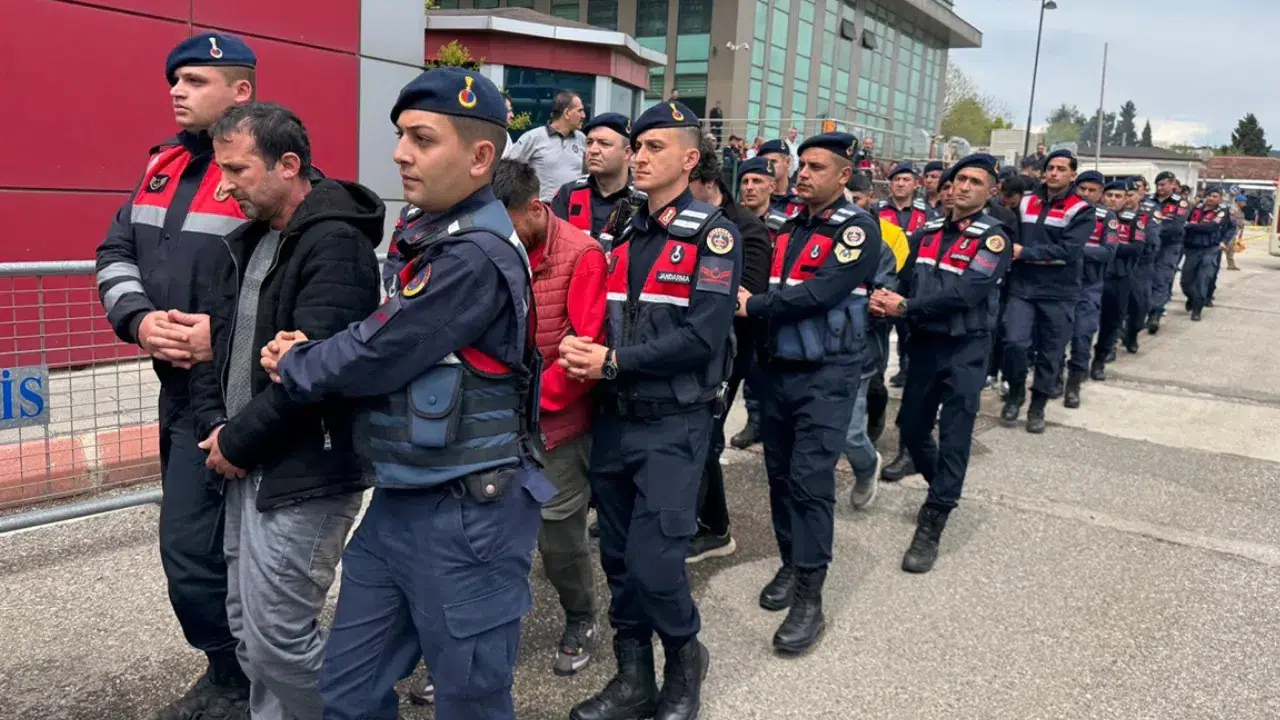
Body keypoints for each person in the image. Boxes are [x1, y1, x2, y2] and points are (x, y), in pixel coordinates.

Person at [264, 67, 554, 720]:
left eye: (422, 139)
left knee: (471, 702)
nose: (400, 153)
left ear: (482, 157)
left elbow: (378, 350)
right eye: (401, 136)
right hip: (404, 499)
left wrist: (297, 361)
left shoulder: (472, 256)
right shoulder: (431, 236)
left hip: (469, 517)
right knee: (349, 690)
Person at [187, 101, 382, 719]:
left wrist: (237, 444)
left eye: (238, 170)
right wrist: (218, 429)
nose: (224, 185)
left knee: (279, 641)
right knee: (249, 632)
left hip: (305, 474)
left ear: (288, 164)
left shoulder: (337, 248)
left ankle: (360, 710)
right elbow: (213, 349)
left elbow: (313, 381)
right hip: (249, 467)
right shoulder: (246, 244)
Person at [94, 32, 256, 718]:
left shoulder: (266, 167)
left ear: (240, 90)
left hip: (243, 396)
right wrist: (138, 319)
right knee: (192, 556)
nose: (176, 91)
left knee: (221, 554)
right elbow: (115, 248)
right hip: (179, 393)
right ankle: (230, 671)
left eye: (194, 79)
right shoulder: (160, 164)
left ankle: (247, 678)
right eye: (174, 80)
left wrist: (220, 335)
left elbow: (298, 285)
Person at [564, 101, 740, 720]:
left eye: (654, 146)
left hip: (673, 422)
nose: (638, 156)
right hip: (612, 417)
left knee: (656, 562)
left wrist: (612, 360)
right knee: (616, 558)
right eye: (635, 146)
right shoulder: (621, 228)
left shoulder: (713, 234)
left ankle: (686, 662)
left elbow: (703, 337)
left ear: (690, 158)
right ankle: (633, 677)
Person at [738, 132, 882, 655]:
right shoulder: (785, 223)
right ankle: (789, 562)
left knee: (809, 481)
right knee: (778, 477)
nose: (803, 174)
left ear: (844, 177)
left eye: (817, 167)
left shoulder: (858, 229)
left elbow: (822, 292)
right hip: (776, 369)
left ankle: (809, 598)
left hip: (827, 374)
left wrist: (752, 307)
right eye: (802, 165)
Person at [869, 153, 1012, 573]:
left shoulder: (993, 238)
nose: (964, 187)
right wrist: (884, 293)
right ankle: (942, 488)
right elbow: (903, 272)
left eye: (974, 182)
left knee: (954, 436)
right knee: (911, 429)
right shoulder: (929, 231)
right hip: (926, 346)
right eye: (959, 179)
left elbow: (967, 293)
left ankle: (934, 518)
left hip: (966, 349)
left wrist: (906, 306)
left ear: (991, 191)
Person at [493, 159, 608, 676]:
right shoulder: (497, 246)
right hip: (500, 418)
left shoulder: (581, 256)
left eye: (510, 225)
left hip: (556, 421)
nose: (502, 238)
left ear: (536, 208)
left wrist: (526, 403)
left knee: (559, 532)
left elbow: (583, 357)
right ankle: (487, 633)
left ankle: (582, 615)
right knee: (492, 531)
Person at [687, 134, 772, 563]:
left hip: (728, 351)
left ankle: (713, 527)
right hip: (684, 343)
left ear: (705, 180)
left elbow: (744, 300)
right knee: (691, 434)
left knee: (707, 437)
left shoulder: (745, 228)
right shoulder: (676, 217)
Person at [1000, 149, 1090, 434]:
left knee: (1051, 353)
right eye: (1050, 167)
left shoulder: (1081, 209)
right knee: (1014, 343)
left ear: (1072, 175)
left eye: (1061, 169)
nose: (1054, 173)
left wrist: (1025, 252)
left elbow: (1069, 251)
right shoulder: (1026, 201)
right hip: (1022, 288)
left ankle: (1037, 406)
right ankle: (1015, 393)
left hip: (1059, 292)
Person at [728, 155, 787, 450]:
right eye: (745, 182)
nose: (749, 187)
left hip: (770, 311)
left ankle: (770, 422)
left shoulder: (784, 226)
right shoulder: (730, 223)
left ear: (772, 187)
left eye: (757, 182)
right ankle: (754, 422)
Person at [1061, 171, 1118, 408]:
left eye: (1092, 190)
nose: (1085, 194)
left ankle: (1074, 383)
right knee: (1055, 337)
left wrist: (1074, 249)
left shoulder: (1107, 218)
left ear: (1100, 194)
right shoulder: (1065, 211)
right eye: (1082, 189)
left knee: (1082, 334)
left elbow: (1108, 252)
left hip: (1089, 286)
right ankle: (1053, 378)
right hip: (1061, 285)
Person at [878, 162, 934, 390]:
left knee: (909, 330)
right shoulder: (877, 210)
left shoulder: (926, 214)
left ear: (915, 184)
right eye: (896, 180)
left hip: (913, 281)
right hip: (884, 280)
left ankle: (907, 368)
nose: (900, 184)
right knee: (880, 329)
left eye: (906, 180)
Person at [550, 112, 641, 241]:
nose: (593, 150)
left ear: (627, 153)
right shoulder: (568, 193)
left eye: (604, 144)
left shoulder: (643, 200)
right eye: (589, 142)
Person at [1091, 178, 1147, 381]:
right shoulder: (1091, 217)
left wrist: (1108, 247)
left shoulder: (1135, 222)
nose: (1113, 199)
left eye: (1118, 196)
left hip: (1118, 278)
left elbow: (1137, 248)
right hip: (1092, 276)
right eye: (1109, 195)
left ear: (1126, 199)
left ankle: (1100, 360)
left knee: (1111, 321)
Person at [508, 89, 587, 201]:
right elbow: (509, 171)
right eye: (580, 111)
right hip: (542, 210)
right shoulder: (533, 138)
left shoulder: (582, 139)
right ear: (567, 113)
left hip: (573, 210)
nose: (584, 116)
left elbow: (588, 174)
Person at [1145, 171, 1190, 334]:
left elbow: (1176, 226)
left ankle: (1155, 314)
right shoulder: (1148, 201)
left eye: (1164, 185)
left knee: (1161, 278)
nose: (1160, 188)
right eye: (1158, 185)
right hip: (1149, 245)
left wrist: (1152, 230)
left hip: (1168, 247)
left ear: (1173, 185)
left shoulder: (1181, 203)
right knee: (1145, 278)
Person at [1122, 178, 1161, 354]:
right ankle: (1109, 346)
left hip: (1141, 265)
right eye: (1125, 195)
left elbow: (1152, 240)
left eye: (1131, 195)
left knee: (1139, 306)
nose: (1127, 199)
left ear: (1139, 196)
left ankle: (1132, 334)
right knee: (1114, 306)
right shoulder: (1113, 213)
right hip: (1118, 265)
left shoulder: (1150, 213)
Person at [1181, 187, 1231, 321]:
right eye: (1210, 196)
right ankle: (1191, 297)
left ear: (1219, 199)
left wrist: (1190, 226)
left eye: (1215, 196)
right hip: (1192, 249)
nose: (1212, 198)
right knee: (1185, 281)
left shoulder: (1222, 212)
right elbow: (1183, 223)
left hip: (1210, 249)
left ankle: (1197, 309)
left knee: (1203, 279)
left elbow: (1211, 227)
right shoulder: (1196, 208)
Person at [759, 139, 804, 217]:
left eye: (773, 162)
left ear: (787, 162)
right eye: (764, 162)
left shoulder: (801, 198)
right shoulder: (756, 198)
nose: (768, 167)